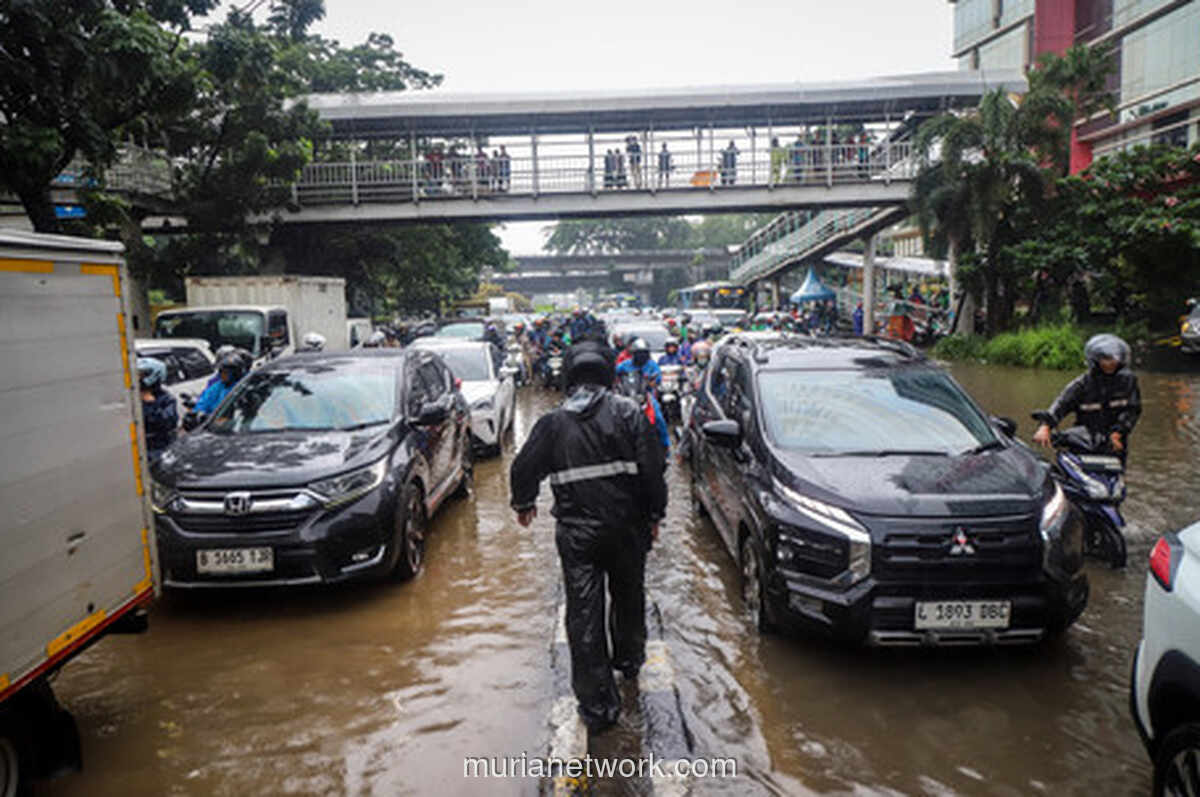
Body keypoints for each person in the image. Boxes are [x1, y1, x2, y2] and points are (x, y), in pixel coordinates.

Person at [510, 340, 667, 733]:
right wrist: (655, 515)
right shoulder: (629, 413)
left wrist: (523, 503)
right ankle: (629, 662)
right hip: (627, 530)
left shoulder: (552, 423)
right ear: (608, 376)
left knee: (583, 615)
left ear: (570, 379)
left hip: (578, 536)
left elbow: (522, 468)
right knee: (630, 596)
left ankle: (597, 706)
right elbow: (653, 471)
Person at [1033, 334, 1141, 459]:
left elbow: (1133, 410)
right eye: (1106, 359)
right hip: (1084, 441)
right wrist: (1045, 426)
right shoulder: (1081, 385)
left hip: (1116, 442)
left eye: (1114, 359)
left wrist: (1118, 432)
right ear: (1095, 360)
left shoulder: (1128, 381)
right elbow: (1061, 405)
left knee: (1113, 473)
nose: (1111, 363)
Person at [138, 357, 177, 456]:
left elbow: (167, 423)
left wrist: (151, 404)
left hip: (157, 447)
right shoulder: (134, 397)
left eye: (142, 375)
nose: (139, 379)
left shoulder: (167, 399)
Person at [193, 350, 248, 417]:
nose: (222, 375)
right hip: (212, 422)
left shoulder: (242, 388)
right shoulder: (217, 386)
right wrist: (199, 412)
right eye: (221, 372)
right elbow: (204, 402)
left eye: (226, 372)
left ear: (236, 373)